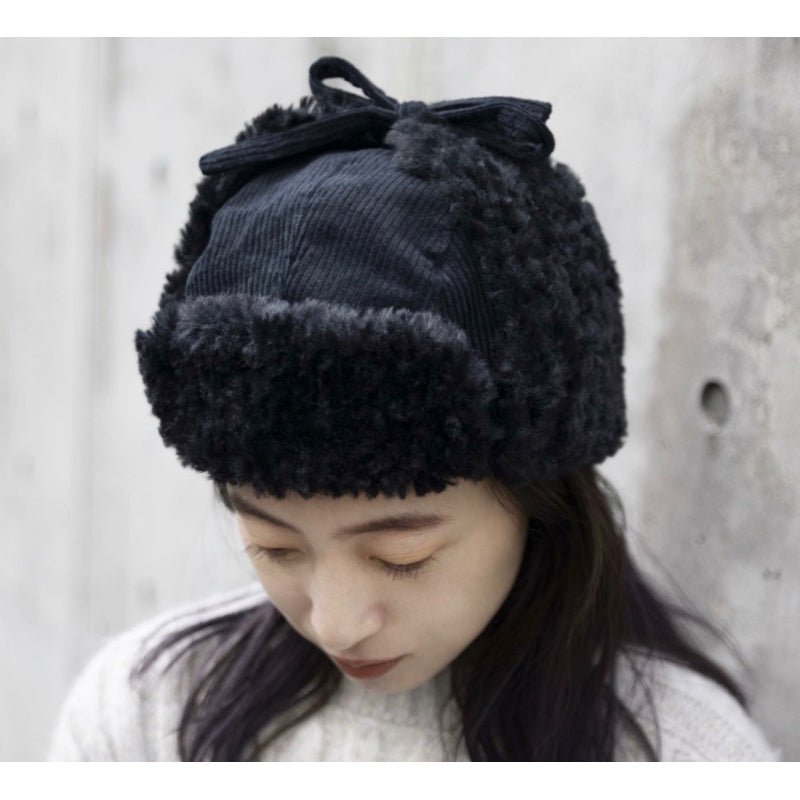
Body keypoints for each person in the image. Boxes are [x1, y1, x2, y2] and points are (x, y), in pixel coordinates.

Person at [47, 56, 780, 762]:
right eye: (276, 547)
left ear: (543, 501)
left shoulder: (680, 756)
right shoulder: (147, 709)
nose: (337, 624)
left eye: (401, 557)